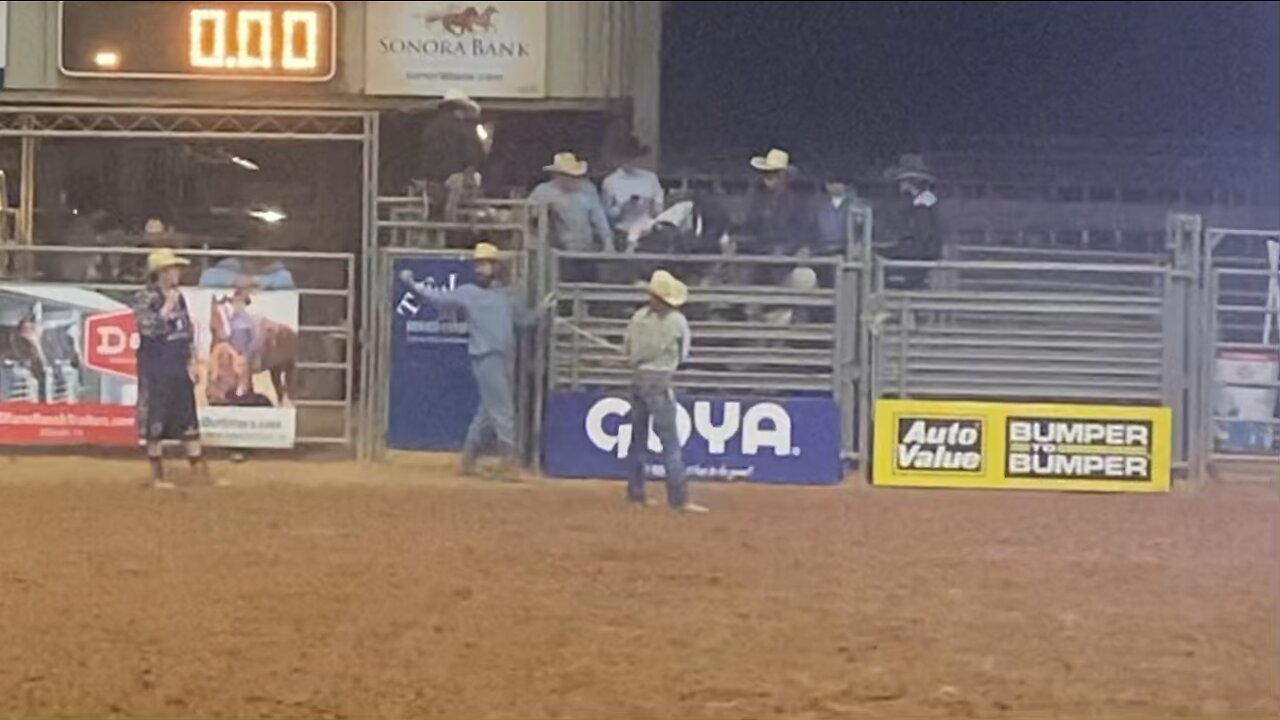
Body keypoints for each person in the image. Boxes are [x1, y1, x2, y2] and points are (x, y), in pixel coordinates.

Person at [398, 242, 547, 479]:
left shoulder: (507, 295)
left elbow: (524, 321)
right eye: (478, 264)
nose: (480, 269)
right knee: (503, 410)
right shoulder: (469, 293)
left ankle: (469, 459)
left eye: (485, 264)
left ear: (496, 267)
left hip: (503, 358)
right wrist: (413, 285)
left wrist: (541, 312)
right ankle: (508, 463)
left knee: (488, 412)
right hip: (487, 357)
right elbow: (437, 297)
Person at [623, 270, 707, 514]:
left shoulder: (638, 317)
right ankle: (678, 499)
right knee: (670, 444)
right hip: (659, 380)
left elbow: (627, 351)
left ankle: (636, 492)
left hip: (638, 378)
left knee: (638, 439)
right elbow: (683, 354)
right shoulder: (677, 322)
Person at [132, 248, 211, 489]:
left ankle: (198, 472)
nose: (177, 273)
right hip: (156, 366)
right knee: (155, 418)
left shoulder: (180, 297)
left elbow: (187, 331)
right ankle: (157, 477)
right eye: (172, 269)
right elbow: (149, 328)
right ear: (161, 273)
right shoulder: (145, 298)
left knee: (187, 416)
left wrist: (193, 361)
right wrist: (167, 305)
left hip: (177, 363)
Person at [528, 152, 614, 283]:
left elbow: (598, 217)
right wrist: (545, 208)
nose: (573, 179)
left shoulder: (587, 189)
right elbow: (529, 216)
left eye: (575, 176)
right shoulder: (543, 192)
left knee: (587, 285)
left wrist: (607, 241)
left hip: (585, 250)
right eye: (568, 175)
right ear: (557, 175)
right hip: (557, 254)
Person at [877, 153, 941, 290]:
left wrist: (899, 246)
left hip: (923, 254)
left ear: (911, 182)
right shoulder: (918, 202)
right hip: (921, 250)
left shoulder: (924, 203)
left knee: (881, 259)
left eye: (903, 181)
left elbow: (922, 237)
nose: (901, 184)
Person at [602, 137, 665, 248]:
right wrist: (623, 207)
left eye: (632, 158)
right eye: (626, 158)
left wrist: (650, 204)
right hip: (622, 232)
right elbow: (608, 214)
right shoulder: (610, 181)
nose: (629, 162)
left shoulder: (650, 178)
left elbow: (659, 208)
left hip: (649, 231)